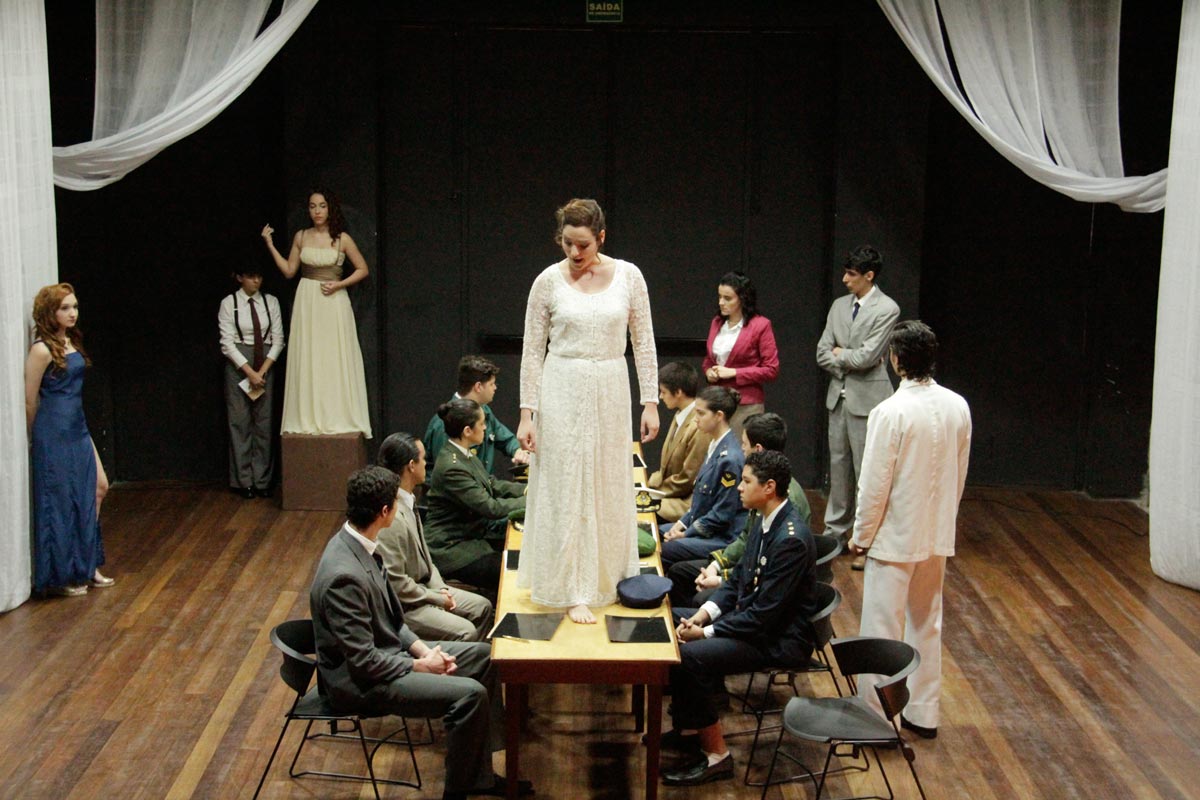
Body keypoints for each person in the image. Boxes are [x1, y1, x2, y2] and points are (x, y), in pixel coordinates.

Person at [309, 466, 530, 800]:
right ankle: (458, 790)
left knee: (486, 657)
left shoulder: (361, 545)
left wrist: (423, 651)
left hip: (387, 657)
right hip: (359, 682)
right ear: (385, 512)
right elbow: (363, 662)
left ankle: (479, 774)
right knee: (469, 695)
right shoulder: (344, 576)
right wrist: (420, 665)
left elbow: (394, 622)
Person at [516, 198, 659, 624]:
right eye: (567, 244)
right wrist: (527, 413)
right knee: (565, 482)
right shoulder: (547, 281)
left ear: (601, 237)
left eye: (583, 244)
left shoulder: (629, 276)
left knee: (606, 480)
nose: (575, 252)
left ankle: (605, 578)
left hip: (611, 386)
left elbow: (644, 342)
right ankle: (570, 587)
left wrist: (650, 402)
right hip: (562, 384)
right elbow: (532, 351)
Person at [660, 450, 817, 786]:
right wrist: (702, 615)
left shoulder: (791, 540)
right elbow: (737, 583)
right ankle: (690, 730)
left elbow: (763, 617)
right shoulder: (764, 519)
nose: (739, 488)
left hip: (777, 640)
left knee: (690, 657)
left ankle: (718, 756)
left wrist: (706, 633)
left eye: (746, 482)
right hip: (752, 621)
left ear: (769, 487)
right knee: (670, 621)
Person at [849, 321, 971, 740]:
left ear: (895, 360)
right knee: (927, 623)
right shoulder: (958, 405)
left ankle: (878, 720)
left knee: (881, 629)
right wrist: (945, 519)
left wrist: (862, 535)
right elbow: (959, 472)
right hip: (935, 533)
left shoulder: (890, 412)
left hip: (895, 537)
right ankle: (923, 713)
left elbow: (874, 483)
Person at [668, 411, 812, 608]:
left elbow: (764, 565)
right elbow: (746, 538)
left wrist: (723, 578)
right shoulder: (763, 487)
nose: (741, 449)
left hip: (761, 588)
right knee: (680, 572)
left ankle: (694, 621)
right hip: (745, 567)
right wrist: (716, 564)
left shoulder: (781, 498)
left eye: (744, 444)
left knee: (701, 598)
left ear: (758, 449)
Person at [260, 188, 371, 437]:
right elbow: (290, 270)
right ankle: (309, 414)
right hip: (308, 299)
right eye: (312, 206)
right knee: (310, 353)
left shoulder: (342, 239)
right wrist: (270, 245)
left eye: (322, 206)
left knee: (333, 354)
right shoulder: (301, 236)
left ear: (330, 208)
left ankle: (336, 413)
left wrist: (339, 284)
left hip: (334, 301)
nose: (317, 211)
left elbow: (362, 268)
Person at [25, 283, 113, 597]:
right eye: (65, 308)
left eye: (74, 307)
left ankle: (86, 563)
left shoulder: (71, 342)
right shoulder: (41, 350)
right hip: (54, 429)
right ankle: (64, 574)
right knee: (61, 501)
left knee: (98, 487)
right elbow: (30, 400)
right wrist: (37, 435)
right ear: (50, 312)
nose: (72, 313)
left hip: (77, 425)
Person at [815, 245, 899, 569]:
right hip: (838, 397)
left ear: (869, 275)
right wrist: (844, 358)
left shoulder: (887, 308)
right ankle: (835, 534)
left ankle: (868, 540)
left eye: (851, 274)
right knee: (838, 469)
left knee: (868, 472)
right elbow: (822, 351)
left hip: (869, 401)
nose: (845, 279)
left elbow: (868, 356)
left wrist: (842, 354)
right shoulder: (839, 305)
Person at [376, 432, 493, 641]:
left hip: (426, 589)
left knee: (482, 607)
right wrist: (436, 598)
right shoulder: (392, 517)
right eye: (423, 459)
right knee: (466, 631)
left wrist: (440, 589)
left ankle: (475, 657)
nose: (427, 464)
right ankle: (454, 659)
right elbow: (396, 584)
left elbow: (427, 561)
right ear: (411, 466)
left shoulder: (408, 499)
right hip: (407, 606)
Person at [424, 400, 526, 594]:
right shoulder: (452, 466)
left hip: (471, 535)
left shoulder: (463, 454)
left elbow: (492, 484)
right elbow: (490, 507)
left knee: (522, 557)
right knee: (513, 572)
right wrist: (531, 502)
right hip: (451, 547)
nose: (486, 428)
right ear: (467, 431)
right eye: (481, 423)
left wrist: (526, 490)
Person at [659, 386, 747, 571]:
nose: (695, 418)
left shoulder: (730, 459)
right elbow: (700, 502)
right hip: (704, 524)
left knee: (667, 548)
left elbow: (722, 514)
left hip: (721, 537)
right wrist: (681, 524)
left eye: (701, 413)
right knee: (658, 533)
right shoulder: (715, 445)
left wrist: (686, 533)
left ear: (719, 415)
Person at [218, 264, 284, 499]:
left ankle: (262, 480)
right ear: (239, 278)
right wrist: (249, 372)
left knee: (263, 423)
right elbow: (227, 343)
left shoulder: (270, 302)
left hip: (264, 361)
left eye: (259, 276)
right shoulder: (229, 303)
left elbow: (278, 339)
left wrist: (262, 371)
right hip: (240, 363)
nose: (256, 281)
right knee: (240, 422)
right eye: (250, 277)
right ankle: (243, 480)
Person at [424, 355, 530, 480]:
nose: (495, 388)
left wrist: (518, 451)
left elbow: (505, 439)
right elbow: (446, 474)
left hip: (482, 485)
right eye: (492, 384)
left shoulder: (484, 411)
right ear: (478, 386)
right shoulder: (446, 421)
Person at [701, 272, 779, 436]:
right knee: (714, 450)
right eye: (719, 297)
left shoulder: (760, 325)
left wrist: (735, 373)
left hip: (745, 404)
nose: (721, 302)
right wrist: (708, 371)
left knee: (739, 449)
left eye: (727, 298)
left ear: (743, 299)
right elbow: (709, 359)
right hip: (716, 402)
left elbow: (771, 369)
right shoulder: (717, 322)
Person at [647, 361, 710, 523]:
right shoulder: (680, 415)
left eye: (663, 392)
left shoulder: (698, 426)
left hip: (685, 501)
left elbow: (687, 479)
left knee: (639, 508)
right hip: (671, 492)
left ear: (679, 392)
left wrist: (653, 492)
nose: (660, 397)